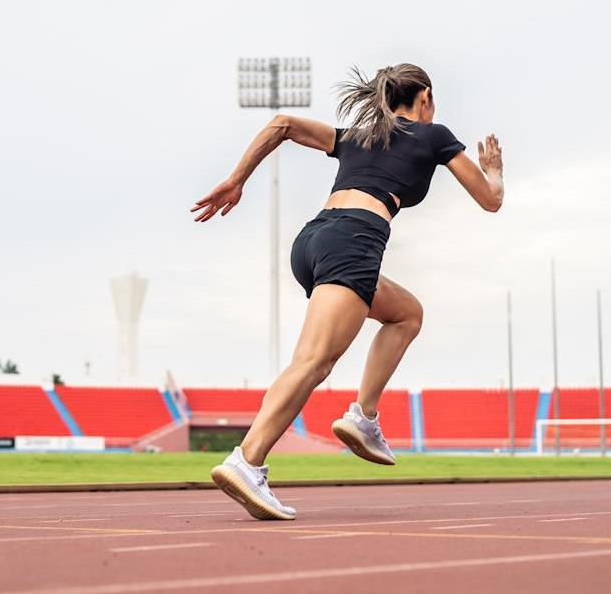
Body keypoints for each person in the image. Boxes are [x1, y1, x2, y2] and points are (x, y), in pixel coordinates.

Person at [190, 63, 504, 520]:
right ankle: (247, 460)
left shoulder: (362, 134)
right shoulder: (434, 135)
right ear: (425, 97)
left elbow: (283, 124)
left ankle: (364, 417)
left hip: (313, 241)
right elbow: (490, 199)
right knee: (313, 361)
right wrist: (493, 171)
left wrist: (237, 179)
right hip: (355, 239)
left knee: (406, 314)